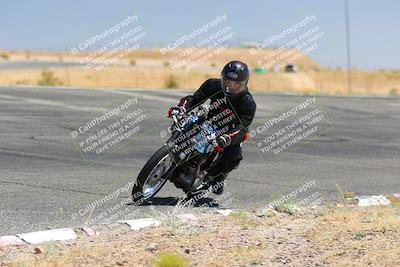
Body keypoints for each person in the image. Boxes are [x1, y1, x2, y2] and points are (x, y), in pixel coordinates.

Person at [167, 60, 257, 195]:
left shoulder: (248, 103)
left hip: (228, 132)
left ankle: (217, 178)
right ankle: (172, 151)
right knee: (183, 122)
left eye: (236, 84)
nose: (230, 87)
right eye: (227, 82)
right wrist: (181, 109)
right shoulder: (212, 85)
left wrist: (227, 139)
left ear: (244, 84)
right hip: (208, 121)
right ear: (222, 79)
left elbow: (242, 128)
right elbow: (194, 99)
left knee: (234, 156)